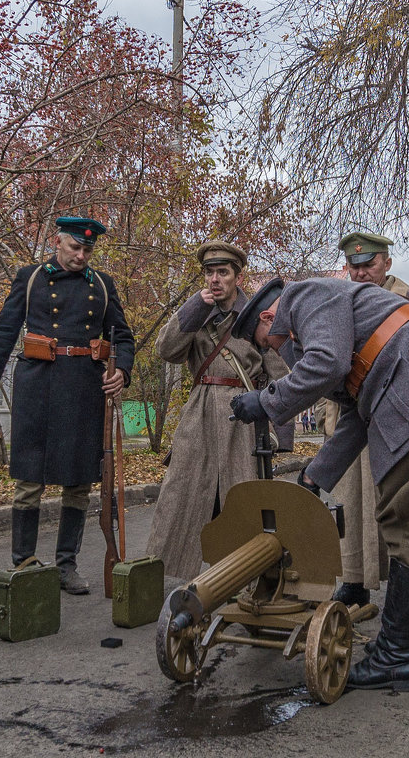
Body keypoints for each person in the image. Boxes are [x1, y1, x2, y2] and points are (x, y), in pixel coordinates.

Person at [229, 276, 409, 693]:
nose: (270, 350)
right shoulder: (330, 319)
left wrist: (266, 401)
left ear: (268, 316)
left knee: (405, 525)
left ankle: (396, 657)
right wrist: (315, 476)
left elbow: (325, 365)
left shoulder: (304, 297)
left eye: (263, 341)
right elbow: (356, 411)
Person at [0, 216, 134, 594]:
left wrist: (122, 371)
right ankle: (24, 562)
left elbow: (123, 336)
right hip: (38, 387)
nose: (81, 255)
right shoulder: (30, 278)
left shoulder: (102, 286)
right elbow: (4, 329)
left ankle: (66, 566)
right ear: (56, 242)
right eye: (74, 247)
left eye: (87, 250)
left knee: (78, 481)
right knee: (29, 479)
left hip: (83, 389)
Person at [325, 232, 409, 610]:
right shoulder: (338, 306)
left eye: (369, 265)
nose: (361, 273)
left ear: (387, 263)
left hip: (404, 426)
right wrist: (326, 416)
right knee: (352, 504)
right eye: (354, 267)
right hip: (353, 426)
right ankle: (354, 582)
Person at [144, 241, 278, 578]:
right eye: (209, 273)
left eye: (222, 272)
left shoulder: (254, 315)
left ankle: (246, 575)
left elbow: (279, 369)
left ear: (237, 276)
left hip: (243, 416)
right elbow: (167, 351)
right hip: (200, 413)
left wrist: (280, 426)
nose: (214, 279)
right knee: (181, 495)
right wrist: (191, 310)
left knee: (241, 498)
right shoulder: (196, 313)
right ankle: (166, 573)